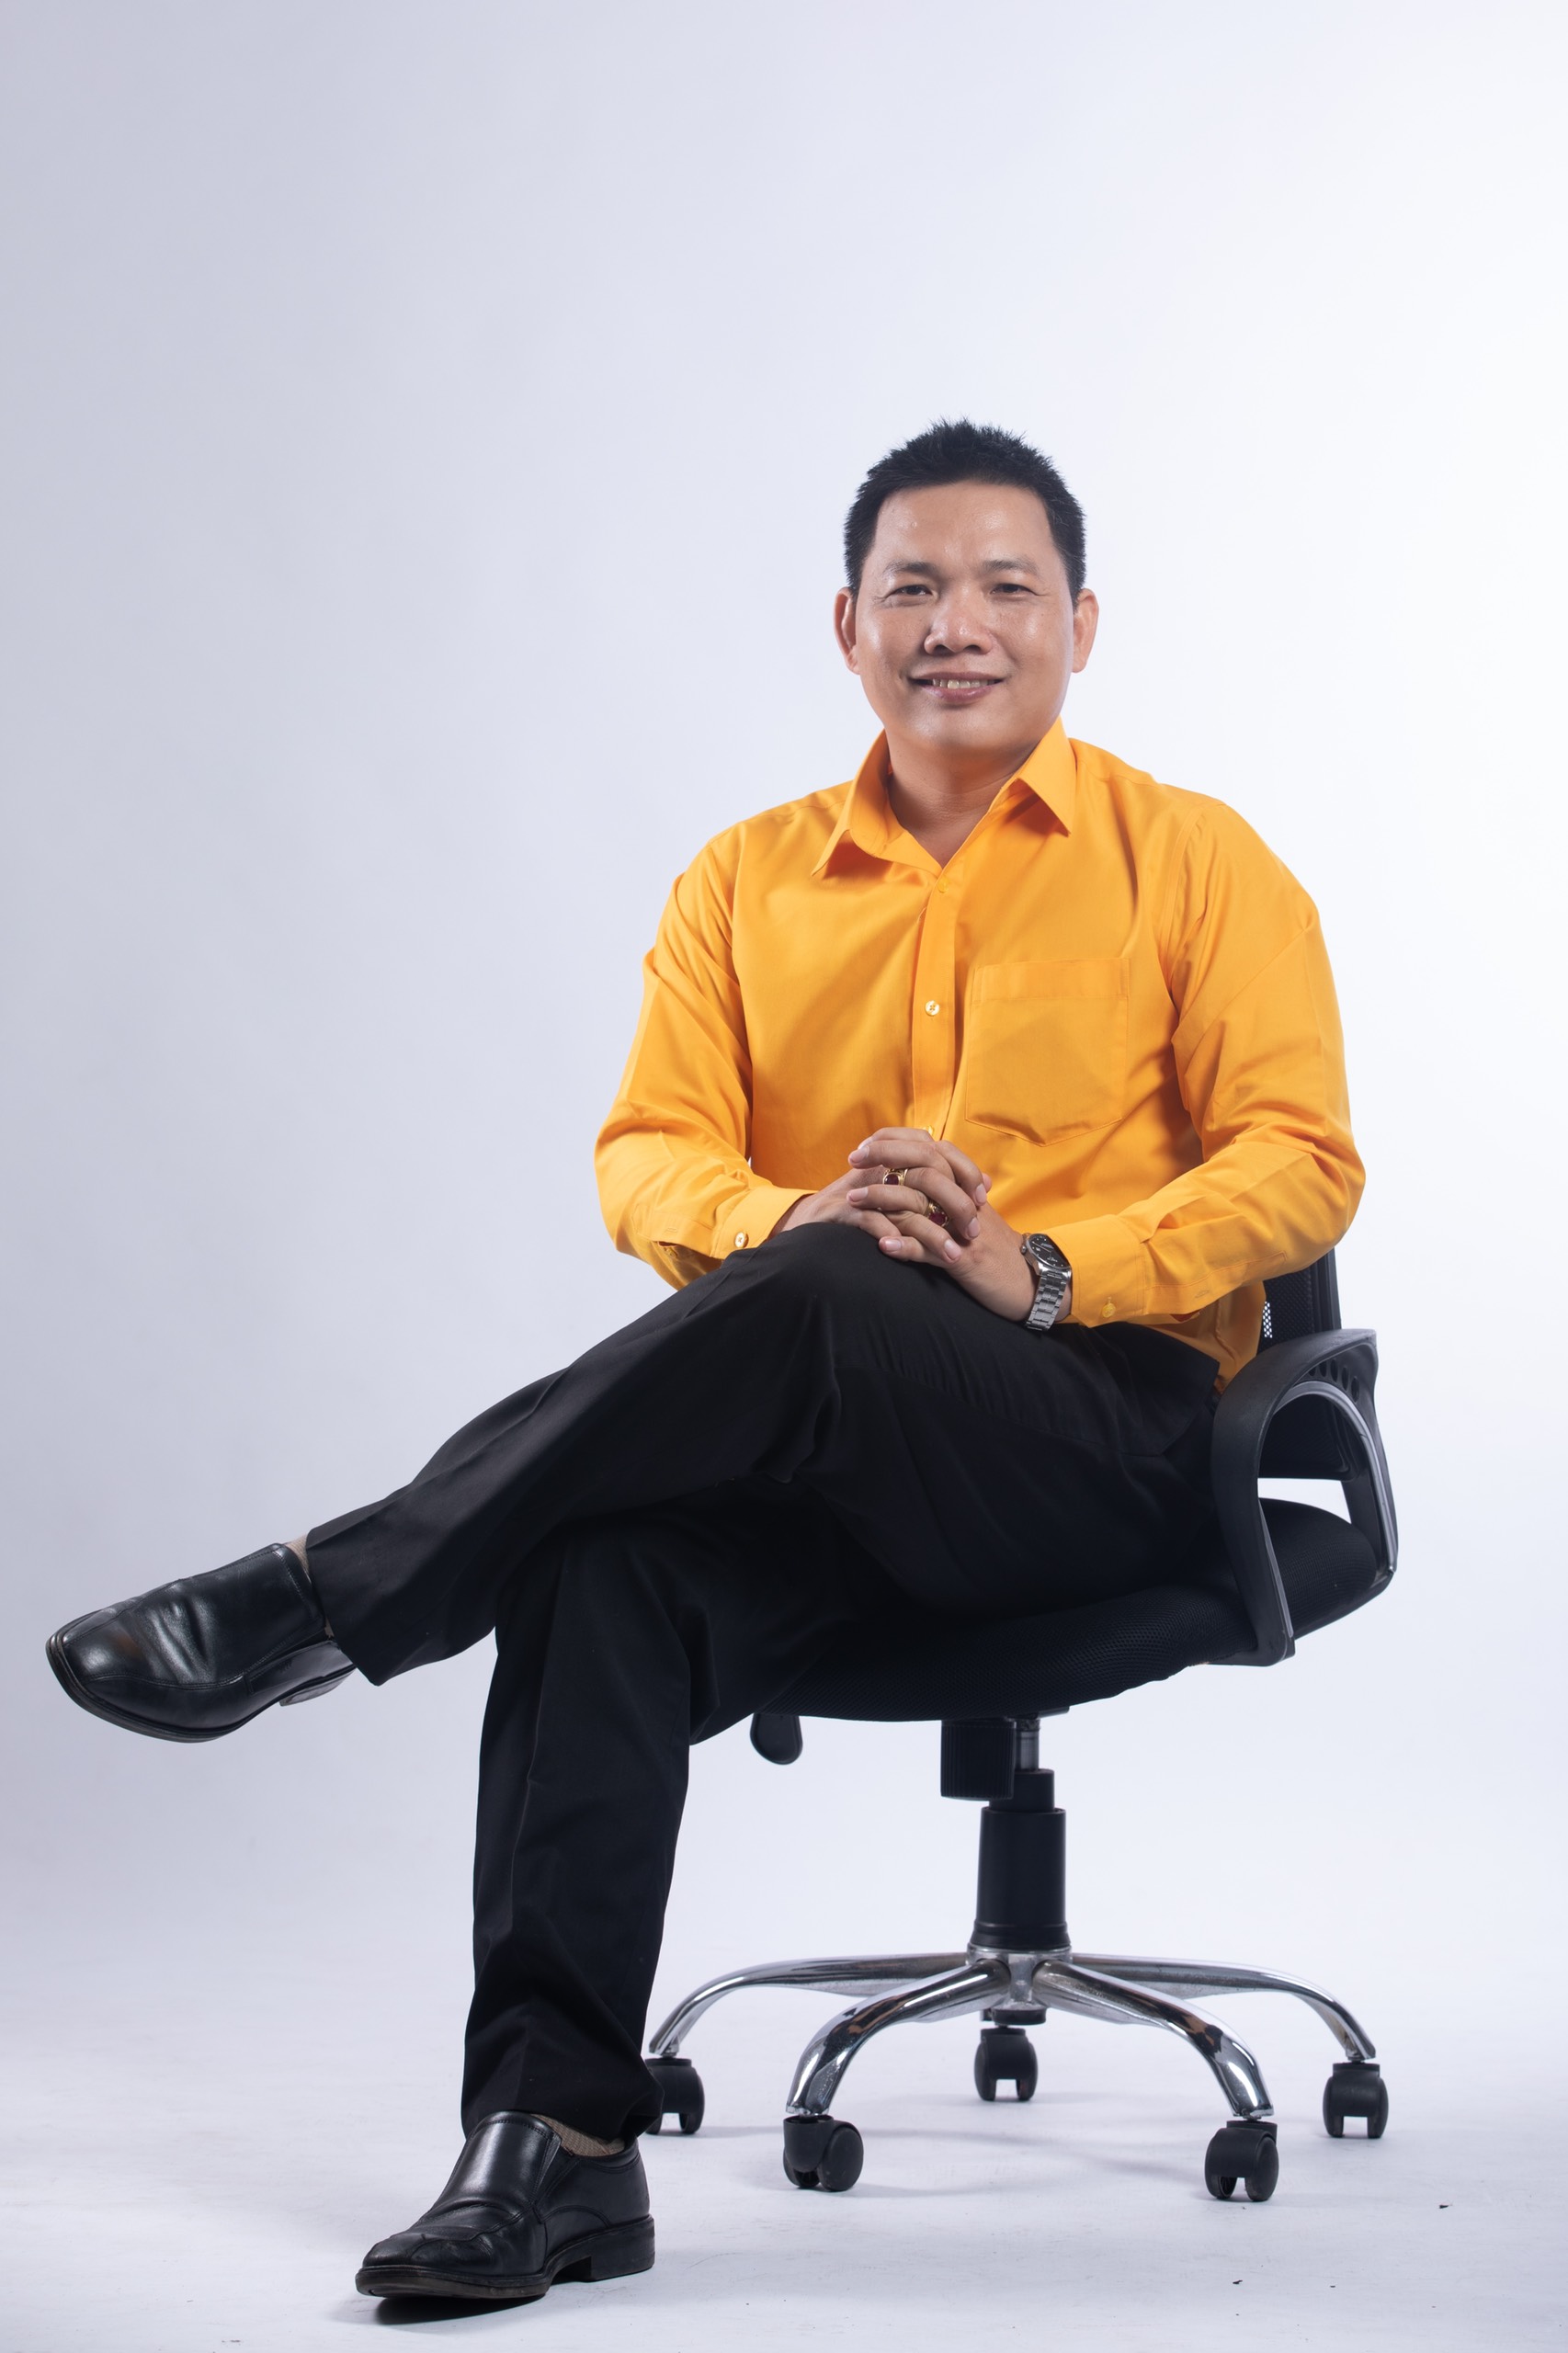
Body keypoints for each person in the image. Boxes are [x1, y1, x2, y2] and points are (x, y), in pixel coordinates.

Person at [46, 421, 1363, 2307]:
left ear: (1080, 623)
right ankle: (554, 2147)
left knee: (830, 1293)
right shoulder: (743, 882)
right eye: (912, 586)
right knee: (602, 1562)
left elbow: (1301, 1162)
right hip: (818, 1459)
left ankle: (328, 1596)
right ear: (848, 625)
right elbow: (647, 1154)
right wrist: (784, 1216)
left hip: (1104, 1437)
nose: (956, 622)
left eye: (1004, 586)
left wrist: (1039, 1265)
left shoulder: (1203, 863)